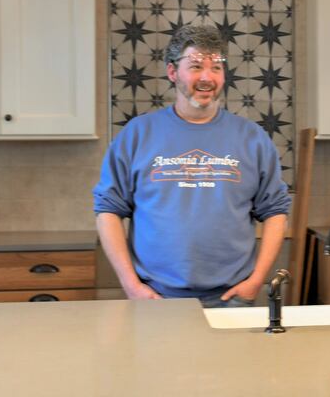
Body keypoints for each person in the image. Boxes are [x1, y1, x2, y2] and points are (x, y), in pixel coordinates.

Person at [93, 24, 291, 307]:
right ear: (172, 72)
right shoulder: (137, 135)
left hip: (232, 298)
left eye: (216, 68)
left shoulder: (252, 138)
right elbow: (108, 211)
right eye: (196, 66)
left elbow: (276, 212)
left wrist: (257, 280)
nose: (207, 78)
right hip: (156, 299)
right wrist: (131, 285)